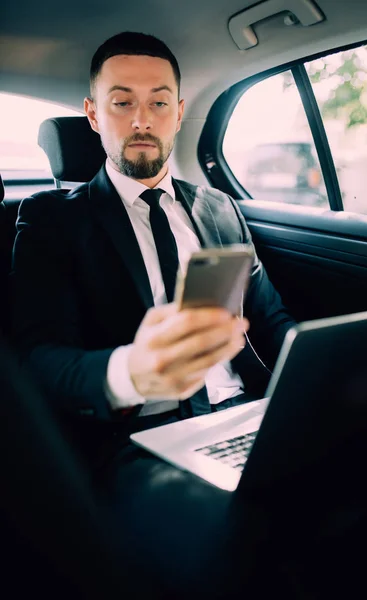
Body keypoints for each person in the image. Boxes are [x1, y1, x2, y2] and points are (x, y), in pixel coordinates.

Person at [11, 32, 296, 469]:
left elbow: (271, 319)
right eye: (122, 103)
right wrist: (130, 372)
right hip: (138, 443)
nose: (142, 120)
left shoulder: (219, 208)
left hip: (248, 416)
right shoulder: (52, 220)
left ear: (179, 114)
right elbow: (39, 360)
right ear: (93, 114)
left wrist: (314, 383)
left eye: (159, 103)